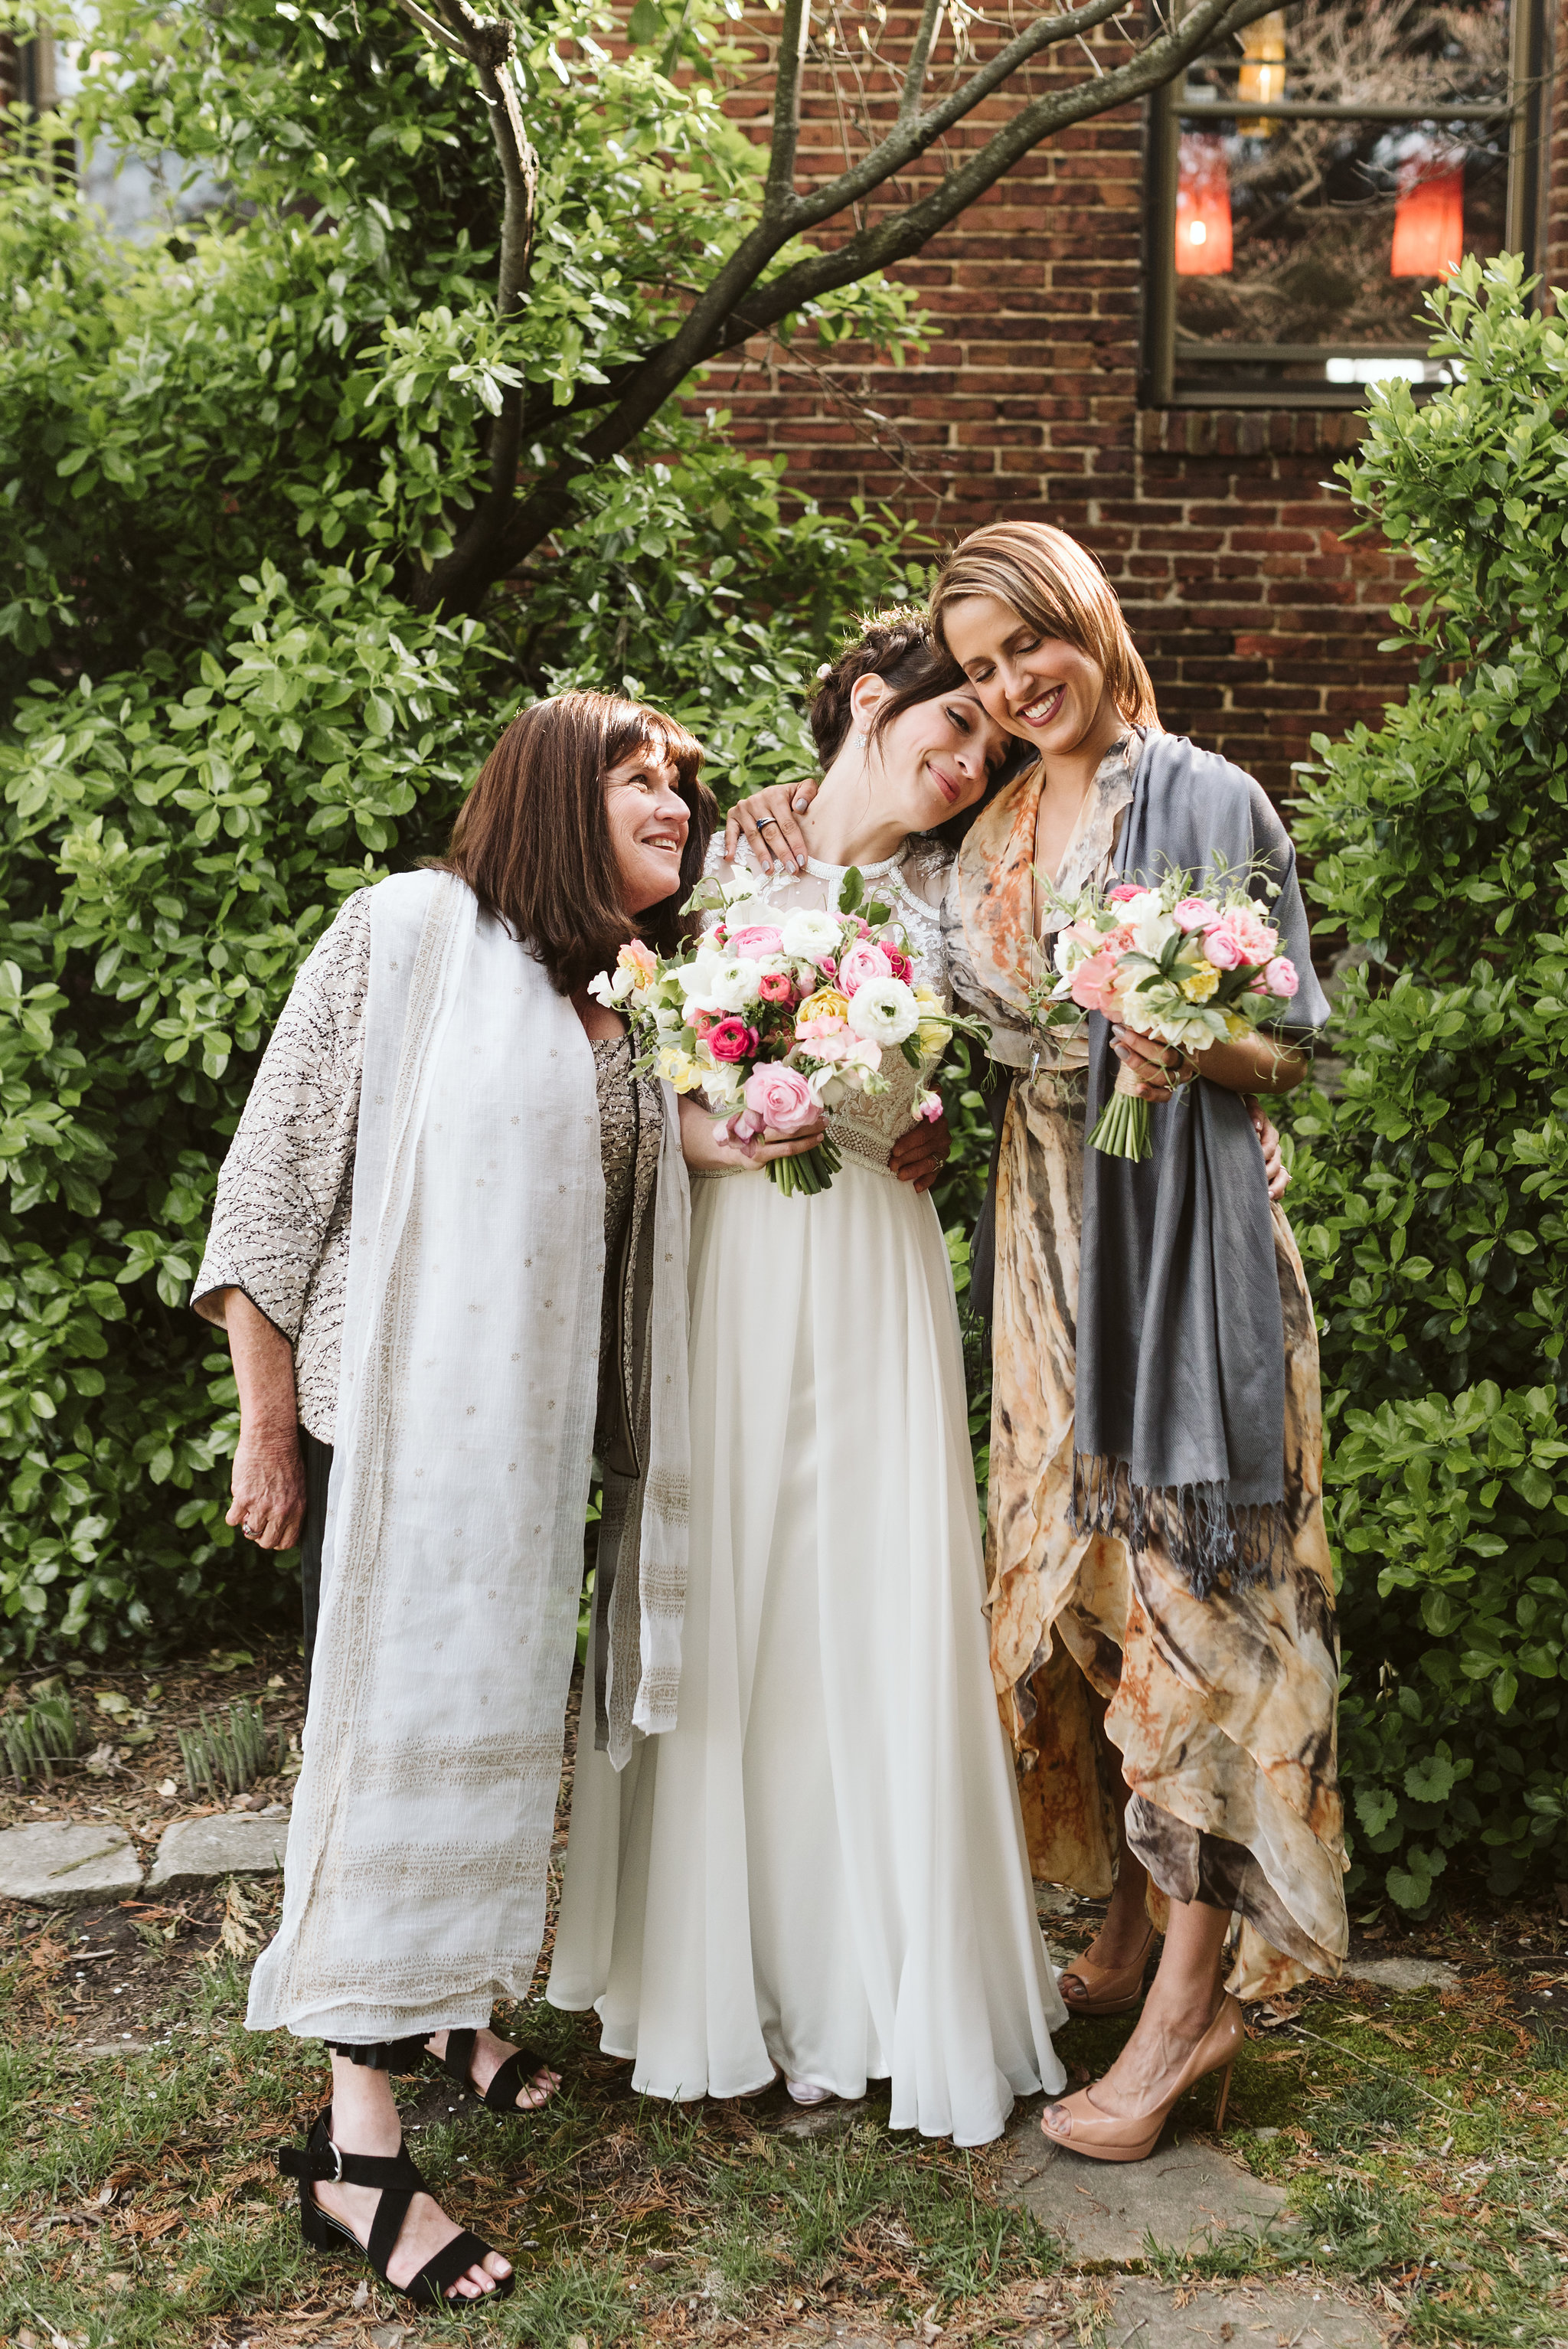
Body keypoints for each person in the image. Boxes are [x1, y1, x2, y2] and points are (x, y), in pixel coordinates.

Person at [191, 694, 818, 2304]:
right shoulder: (407, 934)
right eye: (638, 777)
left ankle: (461, 2013)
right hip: (387, 1446)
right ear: (551, 791)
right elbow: (269, 1187)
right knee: (390, 1767)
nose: (674, 801)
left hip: (534, 1473)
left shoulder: (619, 997)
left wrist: (825, 1103)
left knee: (498, 1758)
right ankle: (356, 2152)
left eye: (682, 780)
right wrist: (269, 1430)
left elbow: (665, 1168)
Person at [738, 525, 1343, 2167]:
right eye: (984, 668)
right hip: (1038, 1233)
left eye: (1029, 648)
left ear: (1086, 620)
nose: (1013, 687)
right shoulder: (989, 819)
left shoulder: (1206, 797)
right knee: (1072, 1578)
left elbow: (1289, 1042)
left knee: (1195, 1603)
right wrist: (799, 815)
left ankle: (1190, 2010)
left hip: (1179, 1234)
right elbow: (878, 943)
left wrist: (1194, 1039)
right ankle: (1138, 1928)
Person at [547, 613, 1069, 2145]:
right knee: (739, 1586)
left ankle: (871, 1984)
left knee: (870, 1592)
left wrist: (935, 1125)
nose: (969, 759)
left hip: (873, 1255)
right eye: (951, 724)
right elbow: (638, 1066)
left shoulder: (961, 887)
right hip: (731, 1251)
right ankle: (720, 1973)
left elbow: (1007, 1057)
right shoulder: (721, 855)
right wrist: (729, 1120)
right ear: (862, 699)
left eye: (988, 745)